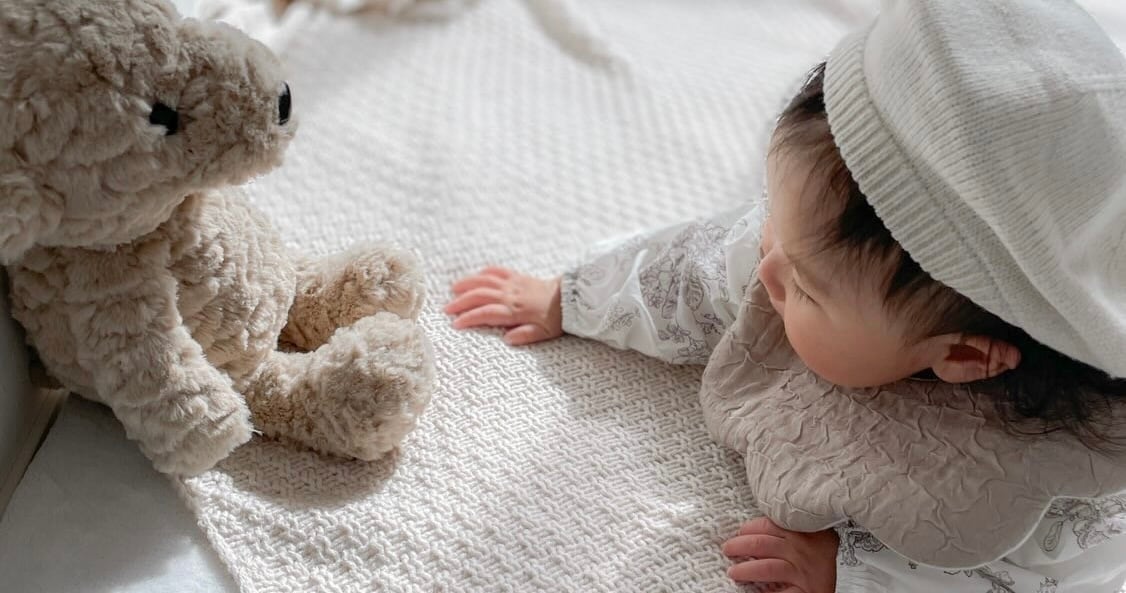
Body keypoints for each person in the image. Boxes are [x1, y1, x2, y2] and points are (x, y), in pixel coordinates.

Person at [447, 1, 1126, 591]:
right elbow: (688, 272)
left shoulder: (1059, 473)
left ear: (965, 355)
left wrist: (856, 571)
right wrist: (570, 296)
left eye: (806, 285)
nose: (767, 268)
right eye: (777, 217)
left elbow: (1059, 580)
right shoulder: (795, 246)